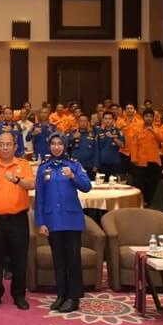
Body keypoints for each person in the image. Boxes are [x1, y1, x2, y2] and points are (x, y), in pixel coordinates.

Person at [0, 132, 35, 310]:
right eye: (1, 144)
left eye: (8, 144)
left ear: (15, 147)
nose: (5, 147)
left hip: (18, 219)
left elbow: (32, 184)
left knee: (19, 259)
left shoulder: (23, 165)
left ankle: (19, 295)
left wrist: (17, 180)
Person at [35, 133, 91, 313]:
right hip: (52, 220)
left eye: (60, 144)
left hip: (71, 220)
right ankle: (61, 294)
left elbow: (87, 187)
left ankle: (73, 297)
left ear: (65, 146)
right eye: (53, 143)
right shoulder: (44, 168)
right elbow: (40, 197)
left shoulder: (74, 165)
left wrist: (73, 176)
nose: (56, 147)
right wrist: (41, 222)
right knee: (58, 259)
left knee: (73, 259)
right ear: (49, 146)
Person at [130, 109, 163, 205]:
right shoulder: (137, 129)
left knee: (152, 184)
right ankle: (139, 202)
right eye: (146, 116)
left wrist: (154, 131)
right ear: (143, 117)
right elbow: (134, 145)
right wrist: (134, 159)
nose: (148, 118)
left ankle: (150, 203)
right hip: (140, 161)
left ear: (153, 118)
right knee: (139, 184)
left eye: (150, 116)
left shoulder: (158, 129)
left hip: (154, 161)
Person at [95, 111, 124, 179]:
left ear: (113, 120)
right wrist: (96, 164)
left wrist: (113, 137)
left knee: (114, 183)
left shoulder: (118, 131)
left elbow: (122, 145)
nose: (107, 120)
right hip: (102, 163)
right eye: (106, 118)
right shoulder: (99, 131)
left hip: (115, 163)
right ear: (103, 120)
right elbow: (97, 149)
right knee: (102, 184)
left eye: (109, 118)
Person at [67, 114, 97, 179]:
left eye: (85, 121)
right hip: (75, 165)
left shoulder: (93, 134)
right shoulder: (73, 133)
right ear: (78, 122)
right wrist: (73, 137)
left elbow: (96, 150)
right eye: (81, 121)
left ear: (88, 122)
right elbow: (64, 145)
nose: (83, 123)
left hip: (89, 165)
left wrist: (96, 164)